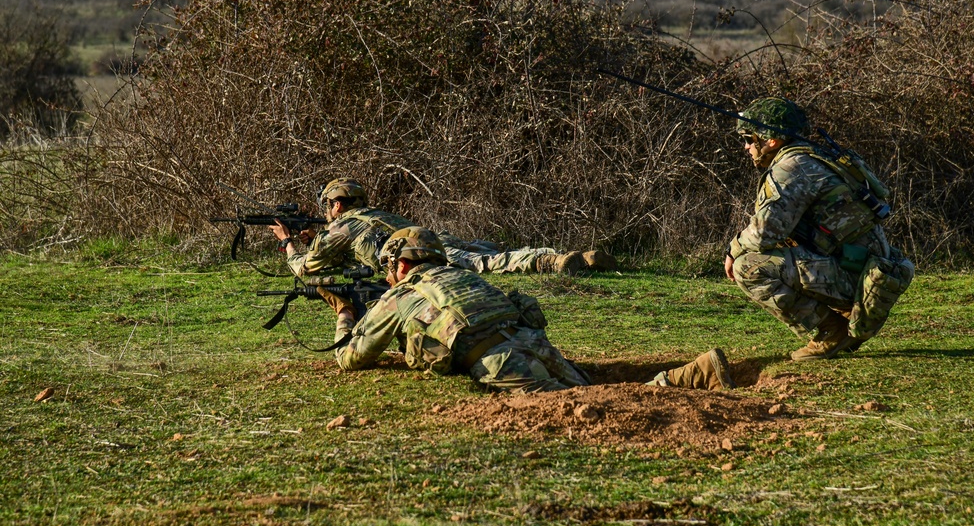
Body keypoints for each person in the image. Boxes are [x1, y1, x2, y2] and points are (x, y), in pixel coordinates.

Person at [326, 227, 732, 392]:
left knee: (583, 408)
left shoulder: (398, 296)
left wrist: (345, 313)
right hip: (533, 342)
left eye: (388, 268)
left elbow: (351, 358)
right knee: (593, 393)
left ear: (400, 264)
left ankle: (689, 376)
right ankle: (691, 373)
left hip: (499, 361)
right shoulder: (466, 278)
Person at [724, 97, 914, 361]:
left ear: (771, 141)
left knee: (748, 267)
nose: (745, 146)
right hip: (861, 266)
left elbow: (766, 232)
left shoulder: (792, 168)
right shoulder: (814, 155)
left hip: (855, 277)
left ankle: (831, 332)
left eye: (748, 138)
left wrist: (732, 250)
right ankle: (843, 320)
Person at [269, 177, 617, 279]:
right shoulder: (372, 213)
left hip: (418, 252)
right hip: (431, 236)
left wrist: (288, 244)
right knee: (486, 250)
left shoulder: (340, 229)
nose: (327, 211)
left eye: (328, 204)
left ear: (338, 204)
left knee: (482, 265)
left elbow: (306, 268)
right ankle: (572, 256)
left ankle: (551, 263)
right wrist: (317, 239)